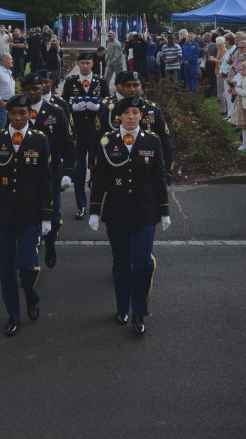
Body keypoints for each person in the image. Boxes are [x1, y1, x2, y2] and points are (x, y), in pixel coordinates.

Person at [89, 96, 170, 336]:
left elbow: (159, 178)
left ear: (141, 117)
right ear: (119, 117)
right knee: (121, 263)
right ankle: (122, 307)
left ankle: (139, 311)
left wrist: (164, 210)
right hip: (117, 213)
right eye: (128, 113)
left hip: (146, 212)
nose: (132, 117)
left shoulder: (152, 141)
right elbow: (99, 179)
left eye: (136, 112)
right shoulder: (107, 142)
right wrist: (94, 210)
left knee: (142, 263)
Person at [0, 94, 53, 336]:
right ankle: (13, 314)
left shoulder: (40, 140)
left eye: (24, 113)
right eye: (15, 113)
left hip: (30, 213)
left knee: (25, 264)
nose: (20, 118)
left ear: (30, 114)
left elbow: (45, 180)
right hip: (4, 213)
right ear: (8, 115)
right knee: (6, 267)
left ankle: (31, 296)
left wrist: (46, 215)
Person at [21, 73, 75, 268]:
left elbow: (68, 143)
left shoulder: (56, 112)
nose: (33, 92)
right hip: (26, 175)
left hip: (51, 174)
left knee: (51, 215)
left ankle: (50, 242)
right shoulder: (17, 113)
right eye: (28, 89)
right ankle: (32, 251)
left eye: (36, 89)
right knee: (29, 216)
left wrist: (69, 171)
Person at [62, 52, 105, 219]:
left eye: (88, 63)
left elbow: (108, 104)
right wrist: (72, 108)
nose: (85, 66)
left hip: (95, 134)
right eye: (82, 63)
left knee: (96, 174)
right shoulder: (70, 82)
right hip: (78, 133)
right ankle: (81, 205)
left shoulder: (101, 81)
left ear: (92, 64)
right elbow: (64, 104)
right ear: (77, 64)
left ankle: (95, 206)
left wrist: (99, 108)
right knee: (79, 172)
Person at [229, 61, 246, 152]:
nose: (241, 71)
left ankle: (245, 145)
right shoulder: (244, 78)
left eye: (243, 70)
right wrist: (234, 88)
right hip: (241, 103)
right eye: (240, 69)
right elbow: (239, 90)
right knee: (243, 126)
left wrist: (236, 88)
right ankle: (244, 143)